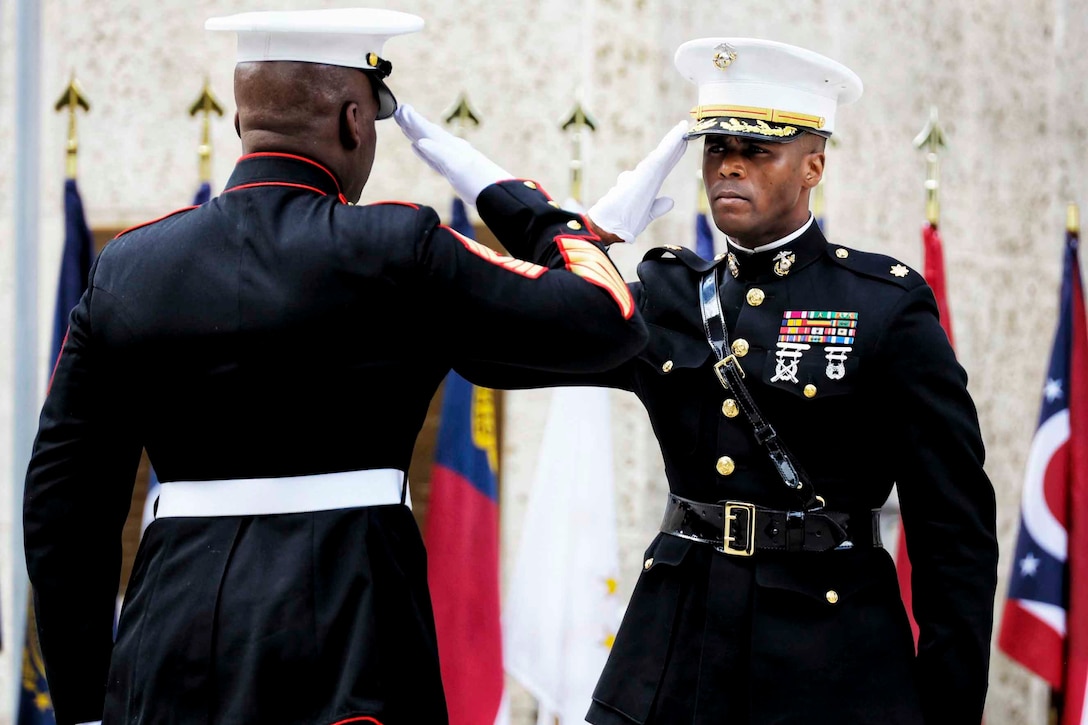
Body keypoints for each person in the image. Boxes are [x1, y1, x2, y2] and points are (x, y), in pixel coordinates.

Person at [21, 9, 666, 725]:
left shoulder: (128, 269)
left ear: (242, 120)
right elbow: (608, 320)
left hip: (173, 641)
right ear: (355, 121)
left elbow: (62, 504)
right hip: (353, 634)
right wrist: (531, 209)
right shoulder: (396, 250)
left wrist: (82, 702)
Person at [462, 38, 998, 724]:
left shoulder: (883, 306)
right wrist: (588, 237)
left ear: (813, 165)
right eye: (717, 149)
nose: (730, 167)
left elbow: (954, 531)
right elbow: (502, 351)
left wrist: (950, 708)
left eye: (757, 151)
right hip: (675, 647)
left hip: (828, 657)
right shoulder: (667, 296)